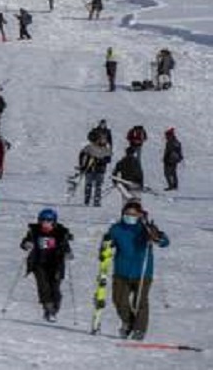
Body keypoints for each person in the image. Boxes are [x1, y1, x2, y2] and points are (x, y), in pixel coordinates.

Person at [103, 200, 169, 339]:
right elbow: (107, 245)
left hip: (142, 272)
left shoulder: (145, 228)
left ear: (139, 215)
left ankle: (139, 329)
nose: (130, 216)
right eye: (127, 213)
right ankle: (128, 323)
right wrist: (106, 244)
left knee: (140, 301)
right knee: (119, 300)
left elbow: (164, 242)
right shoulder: (116, 228)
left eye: (133, 214)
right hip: (121, 271)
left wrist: (157, 236)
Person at [20, 209, 73, 322]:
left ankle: (55, 308)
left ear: (53, 222)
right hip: (39, 263)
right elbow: (25, 241)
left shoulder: (60, 233)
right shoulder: (35, 231)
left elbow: (65, 246)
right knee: (43, 286)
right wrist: (26, 244)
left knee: (55, 288)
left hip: (56, 264)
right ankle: (48, 308)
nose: (45, 223)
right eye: (43, 220)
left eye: (48, 221)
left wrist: (68, 253)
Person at [78, 135, 112, 207]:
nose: (103, 141)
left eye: (104, 140)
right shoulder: (90, 147)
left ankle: (97, 200)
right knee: (88, 184)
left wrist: (100, 160)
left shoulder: (106, 149)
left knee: (98, 186)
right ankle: (87, 200)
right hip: (90, 169)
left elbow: (108, 159)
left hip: (100, 169)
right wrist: (83, 164)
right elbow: (82, 154)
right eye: (102, 140)